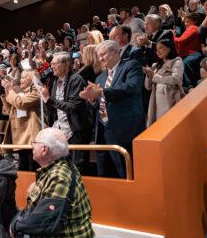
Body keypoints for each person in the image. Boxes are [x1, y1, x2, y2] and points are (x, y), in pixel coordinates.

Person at [9, 128, 95, 238]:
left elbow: (44, 220)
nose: (31, 146)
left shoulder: (59, 176)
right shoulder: (53, 171)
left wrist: (16, 226)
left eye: (34, 143)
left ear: (44, 149)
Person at [80, 40, 145, 178]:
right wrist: (91, 99)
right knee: (105, 175)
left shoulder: (131, 65)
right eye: (99, 56)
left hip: (124, 130)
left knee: (125, 174)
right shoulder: (100, 77)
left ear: (116, 52)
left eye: (103, 54)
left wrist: (102, 91)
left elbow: (132, 87)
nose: (101, 58)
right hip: (102, 130)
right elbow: (98, 103)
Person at [39, 52, 92, 174]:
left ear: (66, 64)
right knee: (61, 168)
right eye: (51, 63)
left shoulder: (76, 79)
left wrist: (50, 100)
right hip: (60, 130)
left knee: (77, 168)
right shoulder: (55, 82)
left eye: (55, 63)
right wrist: (46, 100)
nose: (52, 66)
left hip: (76, 131)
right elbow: (54, 109)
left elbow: (73, 107)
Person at [1, 70, 43, 171]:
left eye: (24, 77)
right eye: (21, 77)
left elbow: (20, 103)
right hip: (21, 135)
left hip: (31, 136)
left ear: (32, 79)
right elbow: (7, 111)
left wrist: (10, 90)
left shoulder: (36, 91)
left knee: (32, 168)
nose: (21, 80)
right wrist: (6, 90)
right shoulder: (20, 93)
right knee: (23, 168)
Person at [144, 40, 185, 126]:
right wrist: (149, 75)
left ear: (169, 48)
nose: (158, 51)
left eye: (161, 48)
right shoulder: (156, 65)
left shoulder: (177, 61)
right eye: (156, 49)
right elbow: (148, 87)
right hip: (157, 103)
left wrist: (154, 76)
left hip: (171, 100)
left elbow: (175, 79)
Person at [174, 13, 203, 87]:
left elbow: (181, 40)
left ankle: (189, 87)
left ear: (194, 21)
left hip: (194, 54)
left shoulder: (193, 28)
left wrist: (172, 37)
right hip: (187, 55)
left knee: (184, 63)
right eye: (185, 22)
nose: (185, 24)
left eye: (188, 21)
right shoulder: (188, 30)